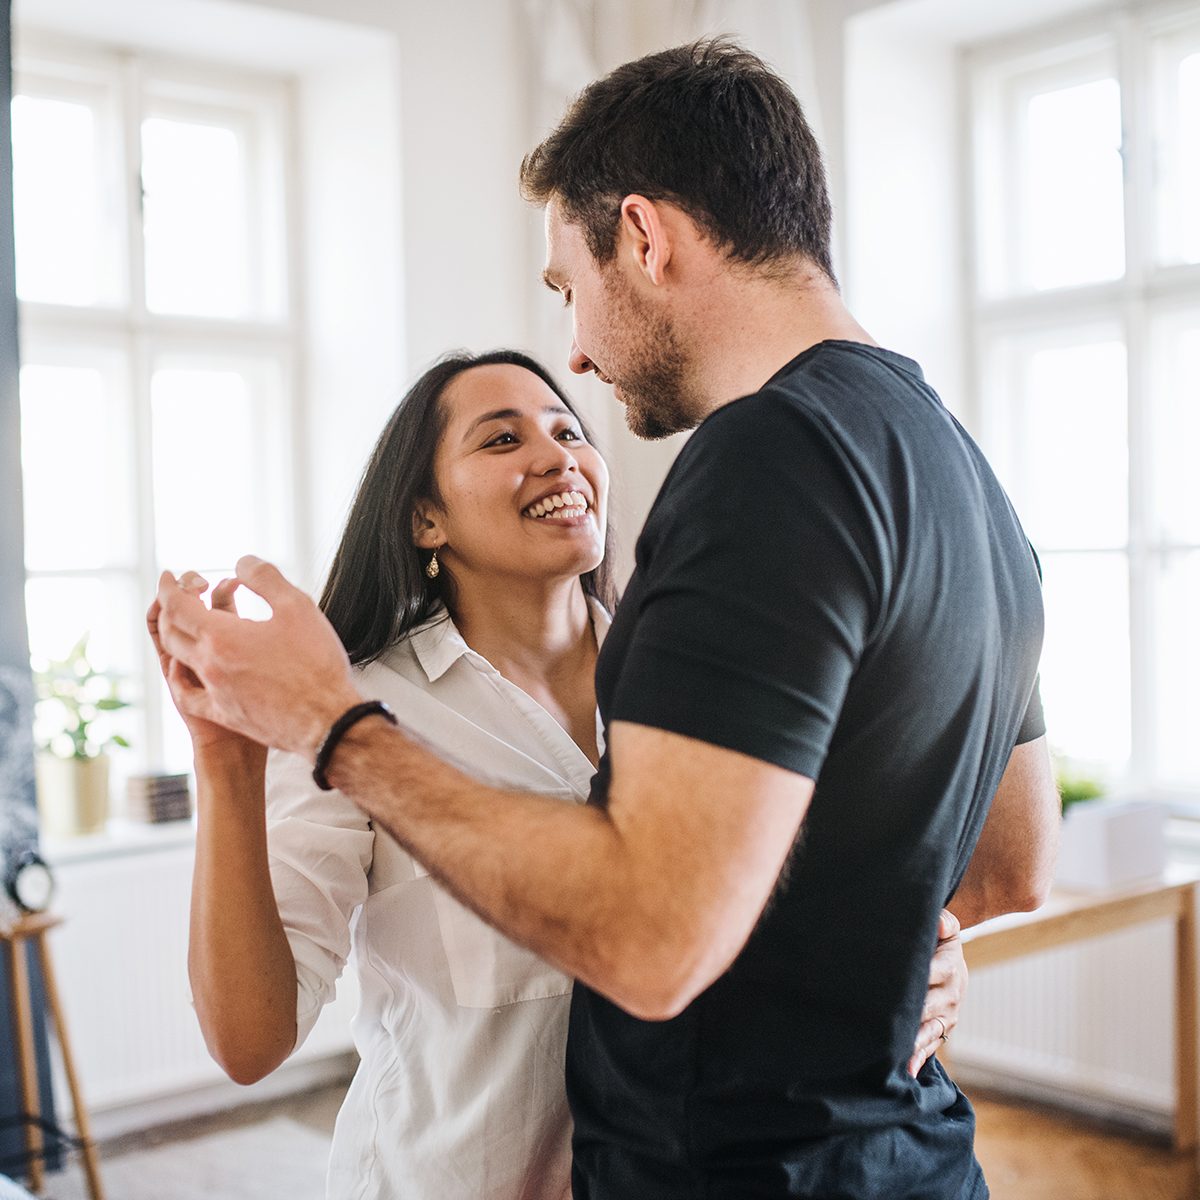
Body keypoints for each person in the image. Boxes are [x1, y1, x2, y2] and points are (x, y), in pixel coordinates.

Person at [154, 39, 1060, 1200]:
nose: (577, 355)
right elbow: (1003, 868)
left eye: (567, 290)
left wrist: (338, 726)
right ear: (421, 516)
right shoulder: (962, 469)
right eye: (502, 434)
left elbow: (657, 934)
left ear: (644, 234)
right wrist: (877, 956)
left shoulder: (762, 461)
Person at [148, 348, 966, 1200]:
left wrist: (917, 960)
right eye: (501, 440)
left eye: (570, 430)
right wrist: (224, 761)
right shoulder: (349, 710)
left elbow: (793, 894)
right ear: (427, 518)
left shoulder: (706, 682)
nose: (557, 456)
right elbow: (250, 1043)